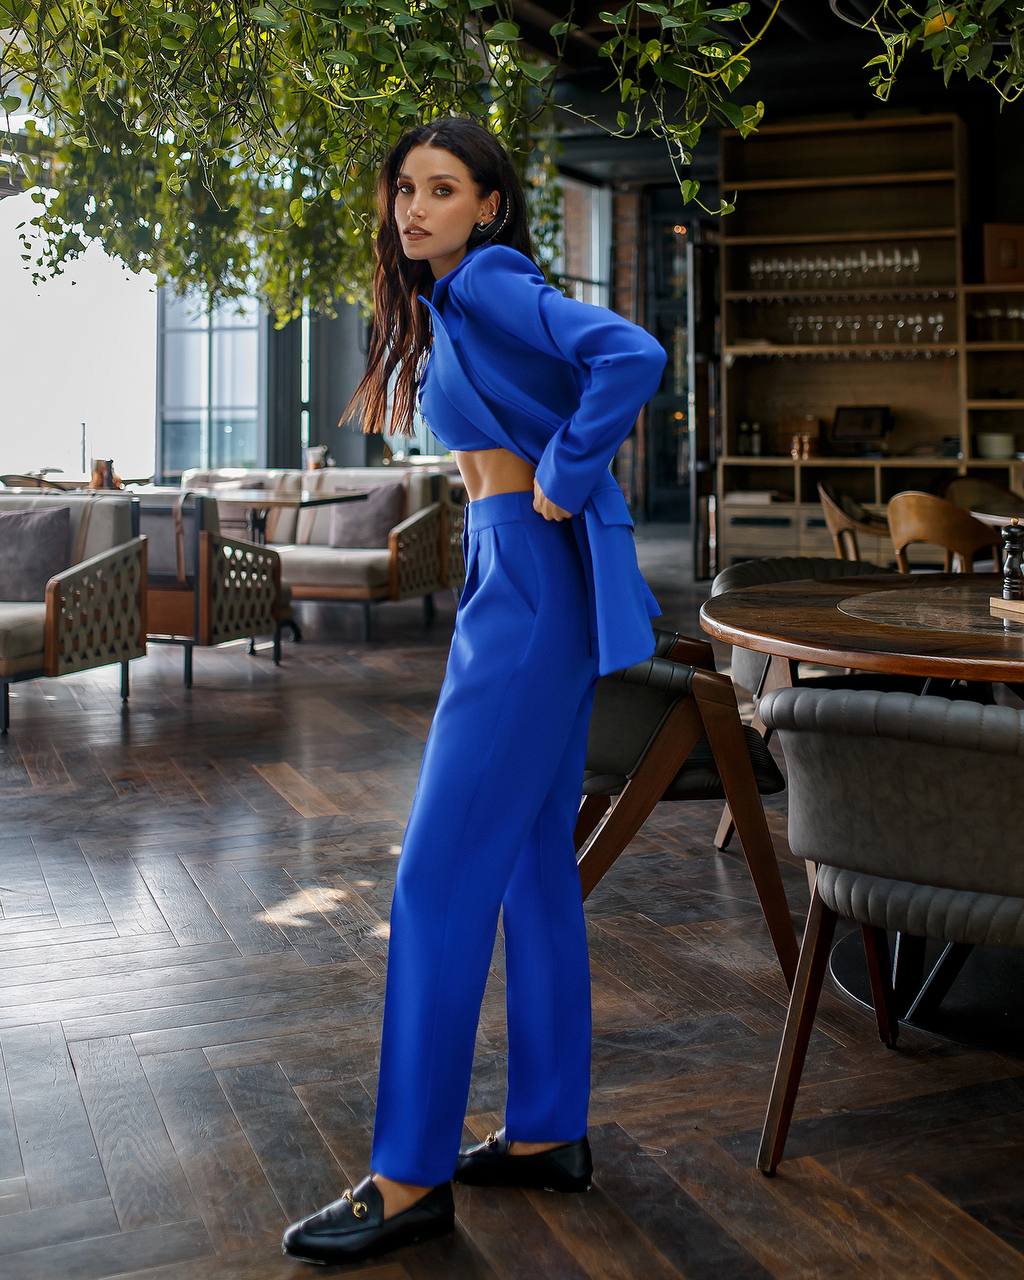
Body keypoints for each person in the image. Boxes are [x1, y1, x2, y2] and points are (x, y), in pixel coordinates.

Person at [282, 116, 666, 1268]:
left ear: (488, 205)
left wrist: (567, 469)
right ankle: (546, 1128)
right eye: (404, 187)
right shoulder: (453, 299)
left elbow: (631, 353)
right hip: (521, 573)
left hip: (527, 580)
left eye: (441, 188)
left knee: (438, 871)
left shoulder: (492, 279)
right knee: (532, 862)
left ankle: (407, 1174)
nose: (414, 207)